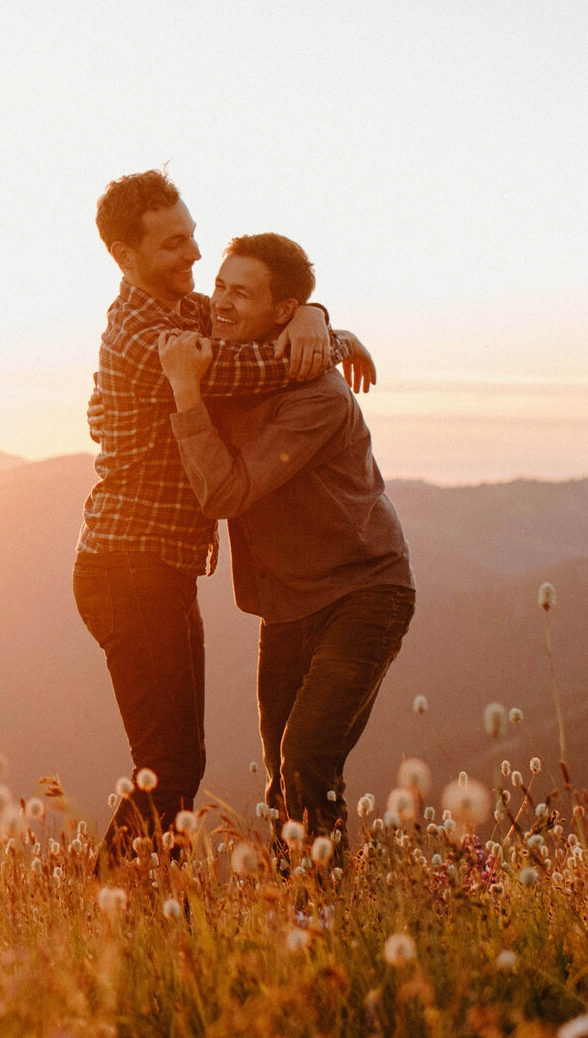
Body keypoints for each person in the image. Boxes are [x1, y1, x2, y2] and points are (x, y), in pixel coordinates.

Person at [75, 171, 373, 863]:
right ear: (125, 255)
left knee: (179, 764)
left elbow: (253, 322)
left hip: (158, 568)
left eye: (192, 235)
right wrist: (327, 342)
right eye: (174, 243)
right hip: (128, 569)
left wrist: (317, 314)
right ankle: (110, 909)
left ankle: (140, 910)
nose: (194, 254)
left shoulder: (180, 313)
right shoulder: (150, 336)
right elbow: (256, 366)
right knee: (168, 767)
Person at [157, 231, 411, 855]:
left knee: (305, 759)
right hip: (287, 605)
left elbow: (225, 494)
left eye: (240, 292)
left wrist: (185, 393)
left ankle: (325, 913)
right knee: (282, 780)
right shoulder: (242, 357)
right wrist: (329, 324)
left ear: (281, 310)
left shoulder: (317, 396)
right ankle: (299, 915)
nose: (220, 301)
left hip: (363, 593)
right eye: (220, 284)